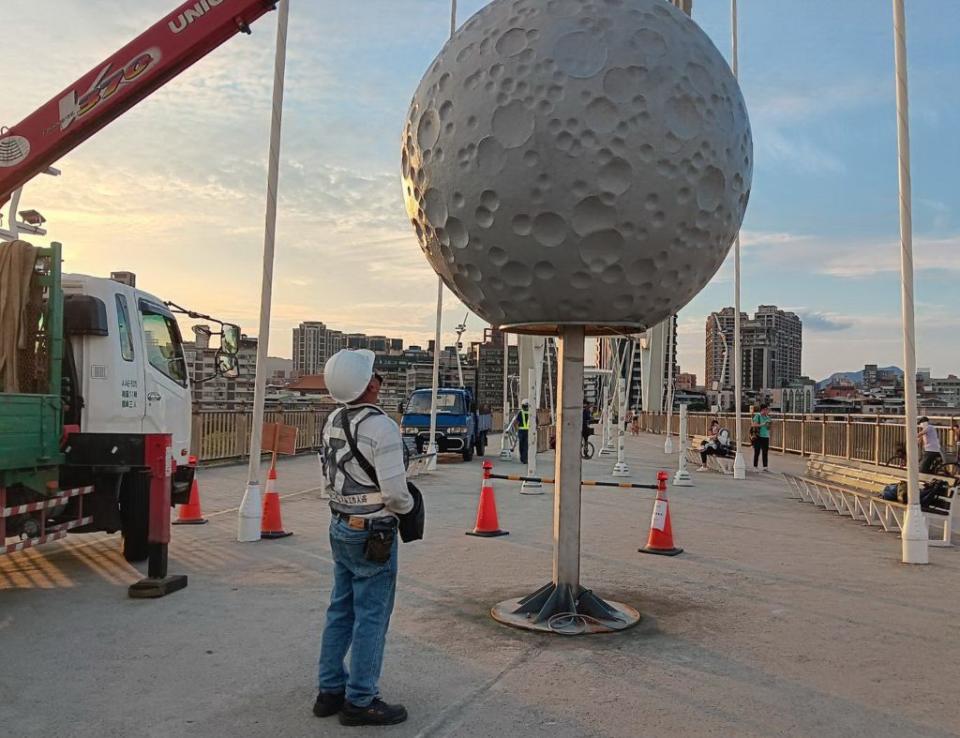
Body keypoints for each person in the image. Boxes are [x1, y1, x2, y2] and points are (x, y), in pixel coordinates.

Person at [316, 349, 413, 727]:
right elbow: (395, 494)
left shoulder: (332, 420)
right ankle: (361, 699)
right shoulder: (381, 427)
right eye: (375, 373)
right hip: (373, 531)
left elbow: (325, 475)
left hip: (340, 523)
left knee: (341, 608)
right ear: (371, 384)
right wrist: (408, 512)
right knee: (372, 615)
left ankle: (329, 691)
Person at [751, 404, 772, 472]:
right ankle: (755, 466)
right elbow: (754, 424)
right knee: (757, 451)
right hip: (758, 436)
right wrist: (762, 424)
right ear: (763, 410)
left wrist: (769, 425)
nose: (767, 411)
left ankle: (765, 466)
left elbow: (769, 427)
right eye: (766, 409)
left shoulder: (768, 417)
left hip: (766, 436)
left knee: (765, 452)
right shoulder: (758, 416)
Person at [516, 398, 531, 464]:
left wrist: (517, 430)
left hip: (521, 431)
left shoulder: (520, 412)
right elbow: (536, 422)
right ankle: (524, 459)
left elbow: (516, 422)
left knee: (521, 445)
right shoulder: (531, 413)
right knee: (526, 446)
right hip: (528, 431)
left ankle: (522, 458)